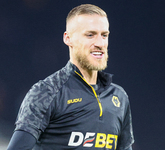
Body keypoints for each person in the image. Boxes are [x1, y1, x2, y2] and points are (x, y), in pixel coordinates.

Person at [7, 4, 134, 150]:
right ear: (68, 38)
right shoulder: (46, 92)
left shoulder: (119, 97)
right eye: (90, 35)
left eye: (104, 35)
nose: (100, 43)